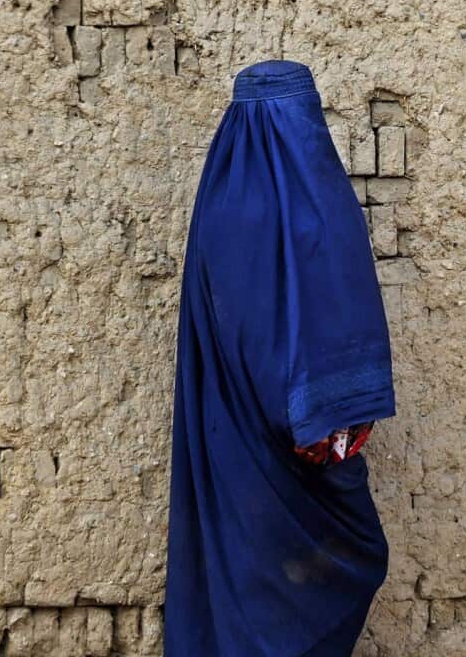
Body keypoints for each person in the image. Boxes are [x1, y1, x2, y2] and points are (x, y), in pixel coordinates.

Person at [164, 59, 398, 656]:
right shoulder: (317, 200)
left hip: (232, 448)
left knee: (244, 589)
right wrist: (314, 412)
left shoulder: (219, 203)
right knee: (335, 567)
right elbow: (318, 319)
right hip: (291, 447)